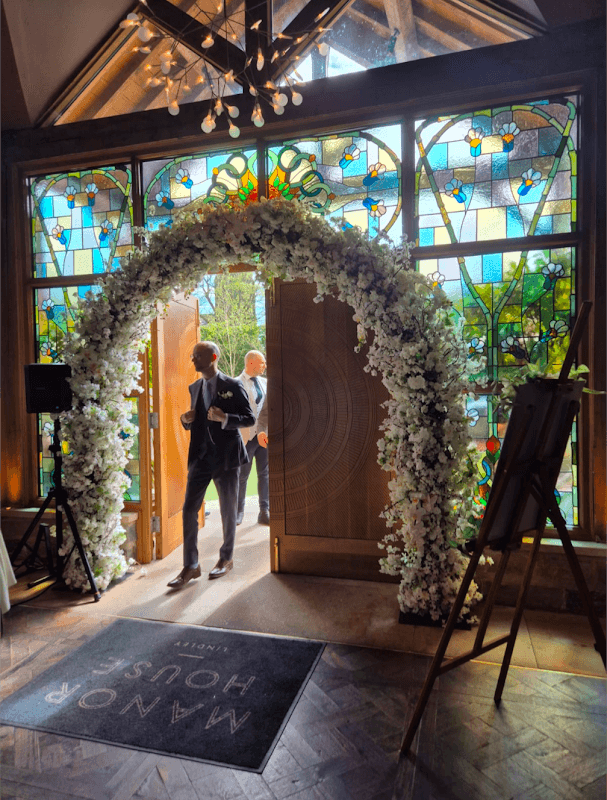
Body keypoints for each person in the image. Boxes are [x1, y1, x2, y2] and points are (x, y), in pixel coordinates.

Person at [167, 341, 255, 589]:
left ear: (213, 357)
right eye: (193, 355)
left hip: (227, 458)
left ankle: (226, 558)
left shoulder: (233, 385)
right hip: (201, 458)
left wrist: (224, 418)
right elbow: (195, 420)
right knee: (188, 510)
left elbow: (249, 418)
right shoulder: (194, 387)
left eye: (197, 356)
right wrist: (185, 420)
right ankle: (191, 566)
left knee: (228, 512)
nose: (193, 359)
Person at [236, 350, 270, 526]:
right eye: (262, 362)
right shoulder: (235, 384)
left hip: (263, 437)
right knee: (242, 476)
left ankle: (264, 511)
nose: (265, 366)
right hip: (245, 438)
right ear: (251, 363)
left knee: (264, 474)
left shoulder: (266, 383)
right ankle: (238, 511)